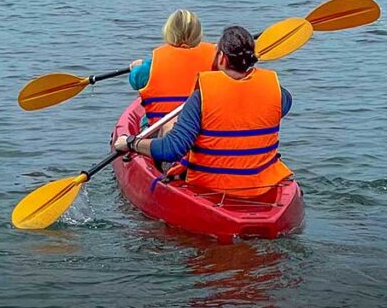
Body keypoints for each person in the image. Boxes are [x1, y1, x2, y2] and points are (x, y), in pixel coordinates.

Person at [115, 26, 293, 197]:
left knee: (169, 126)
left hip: (211, 186)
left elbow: (172, 149)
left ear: (222, 58)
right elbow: (276, 105)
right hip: (261, 186)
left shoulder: (200, 98)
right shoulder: (278, 93)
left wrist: (131, 143)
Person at [128, 10, 216, 127]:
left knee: (144, 121)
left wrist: (136, 68)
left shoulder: (150, 67)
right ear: (199, 35)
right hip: (202, 129)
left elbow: (135, 81)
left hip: (161, 129)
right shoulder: (216, 63)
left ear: (168, 32)